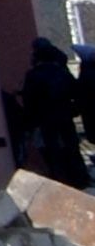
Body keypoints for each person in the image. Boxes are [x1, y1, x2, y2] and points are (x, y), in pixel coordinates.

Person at [16, 39, 89, 190]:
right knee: (71, 147)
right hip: (64, 116)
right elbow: (76, 92)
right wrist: (72, 110)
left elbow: (30, 101)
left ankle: (60, 182)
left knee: (52, 151)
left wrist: (29, 122)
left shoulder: (33, 75)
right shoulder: (61, 71)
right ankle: (80, 179)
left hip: (45, 120)